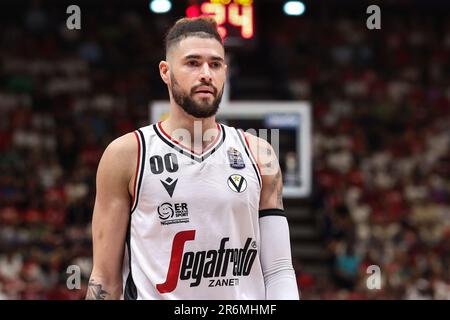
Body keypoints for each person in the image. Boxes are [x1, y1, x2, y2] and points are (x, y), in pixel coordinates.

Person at [86, 17, 299, 300]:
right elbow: (105, 279)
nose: (206, 74)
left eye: (215, 64)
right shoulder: (127, 154)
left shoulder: (260, 154)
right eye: (192, 63)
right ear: (165, 71)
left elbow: (279, 270)